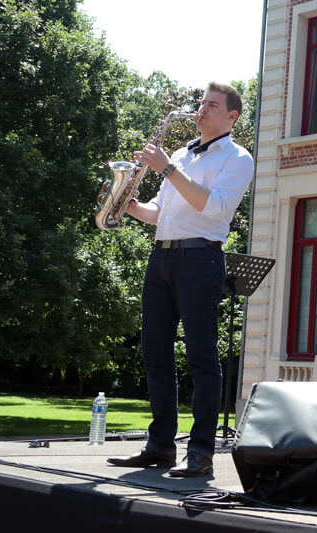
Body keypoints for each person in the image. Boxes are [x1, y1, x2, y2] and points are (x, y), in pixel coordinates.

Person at [107, 82, 253, 476]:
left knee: (202, 356)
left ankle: (202, 453)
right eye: (202, 103)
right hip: (163, 256)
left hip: (201, 258)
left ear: (231, 117)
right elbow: (162, 213)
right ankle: (160, 446)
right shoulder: (186, 153)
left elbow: (212, 207)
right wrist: (125, 202)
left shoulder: (238, 158)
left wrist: (166, 168)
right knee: (154, 351)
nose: (201, 110)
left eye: (211, 105)